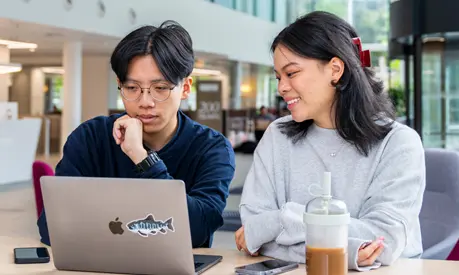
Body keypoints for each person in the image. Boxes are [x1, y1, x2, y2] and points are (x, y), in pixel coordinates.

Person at [235, 11, 425, 271]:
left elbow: (383, 241)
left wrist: (282, 220)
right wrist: (347, 252)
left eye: (291, 73)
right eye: (279, 77)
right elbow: (253, 236)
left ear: (335, 69)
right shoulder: (277, 136)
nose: (281, 88)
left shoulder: (399, 143)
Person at [38, 21, 235, 249]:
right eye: (132, 88)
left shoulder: (211, 148)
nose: (145, 102)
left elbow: (197, 231)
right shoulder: (90, 138)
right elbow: (50, 226)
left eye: (160, 88)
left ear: (186, 88)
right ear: (119, 85)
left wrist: (143, 159)